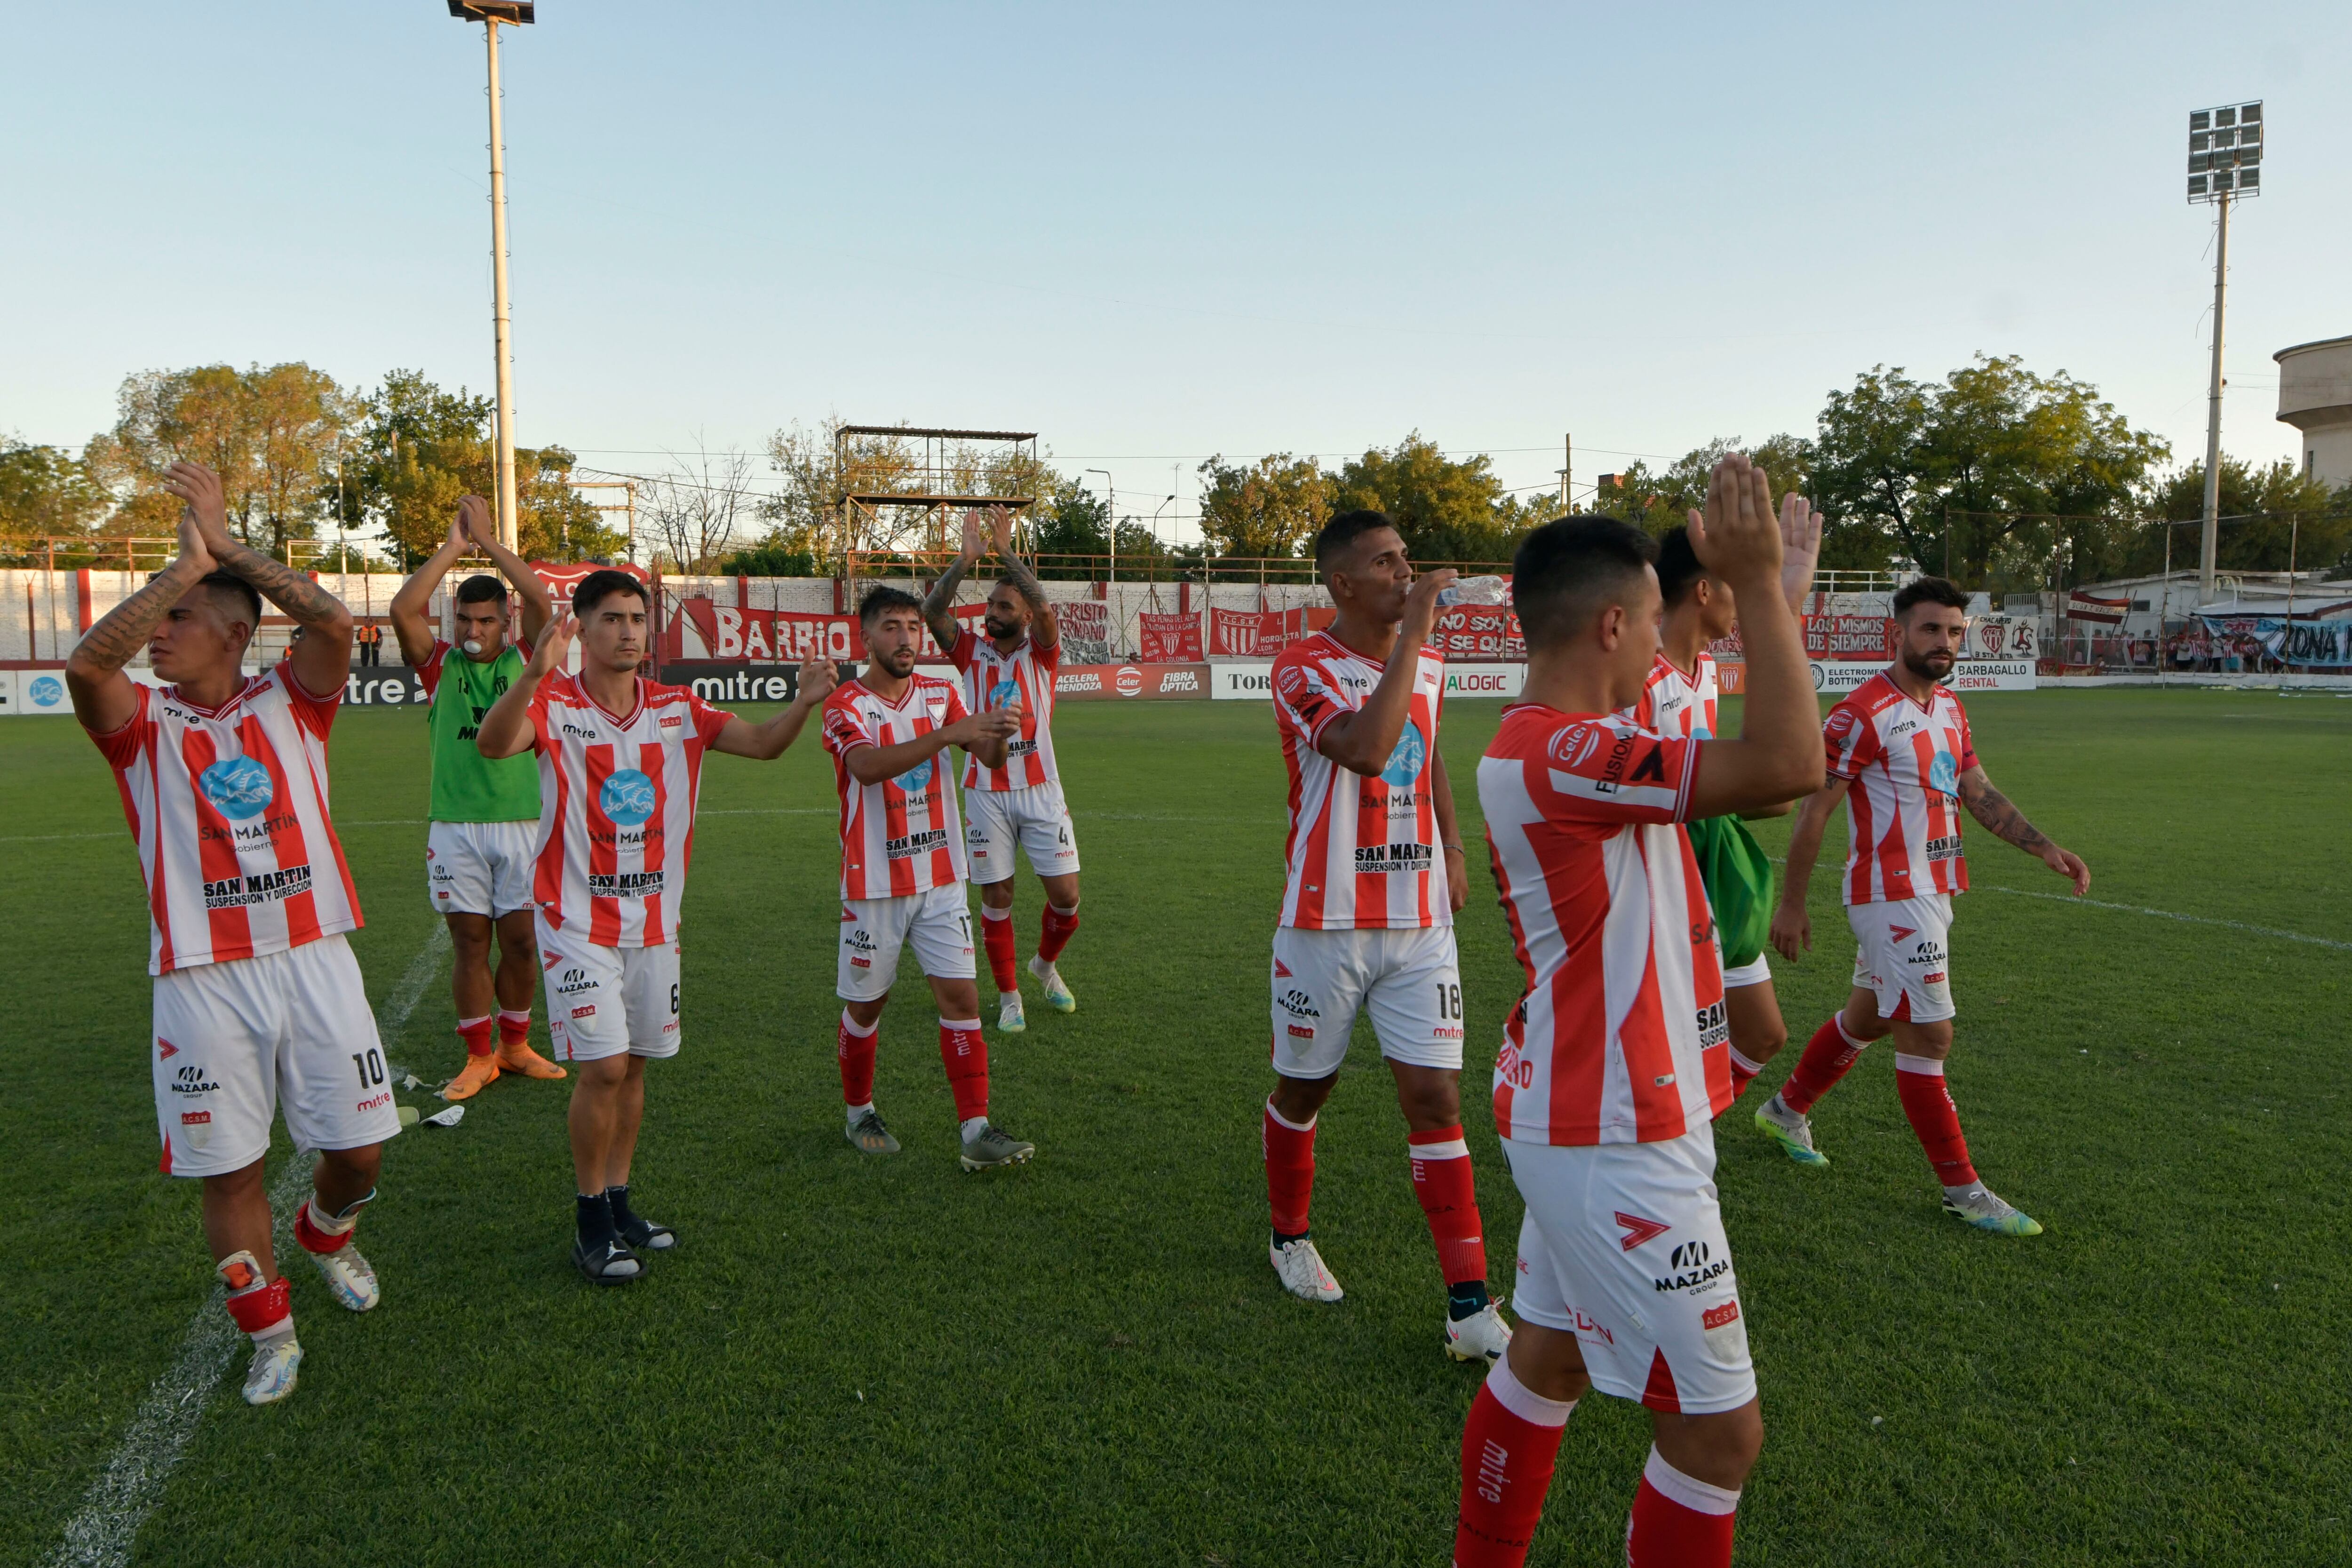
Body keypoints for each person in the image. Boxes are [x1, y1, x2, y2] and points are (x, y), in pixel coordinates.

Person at [1452, 458, 1822, 1568]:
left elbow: (1742, 723)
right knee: (1718, 1437)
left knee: (1548, 1363)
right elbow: (1790, 763)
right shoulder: (1558, 751)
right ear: (1612, 625)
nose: (1668, 649)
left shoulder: (1567, 741)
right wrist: (1754, 580)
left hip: (1591, 1112)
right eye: (1657, 625)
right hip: (1615, 1131)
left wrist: (1774, 590)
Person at [64, 462, 397, 1407]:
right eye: (160, 616)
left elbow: (332, 622)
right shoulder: (141, 723)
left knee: (362, 1149)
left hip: (313, 957)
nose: (157, 634)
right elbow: (89, 666)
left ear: (238, 636)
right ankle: (271, 1332)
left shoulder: (292, 700)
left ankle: (328, 1231)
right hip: (201, 977)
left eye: (179, 619)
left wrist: (225, 547)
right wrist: (181, 569)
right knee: (230, 1165)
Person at [473, 571, 837, 1283]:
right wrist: (531, 675)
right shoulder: (553, 703)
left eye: (638, 617)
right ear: (581, 628)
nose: (630, 631)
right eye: (611, 618)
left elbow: (763, 745)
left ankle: (618, 1203)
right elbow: (493, 744)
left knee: (635, 1065)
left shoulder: (680, 709)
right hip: (574, 920)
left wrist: (803, 703)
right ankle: (587, 1224)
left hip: (656, 924)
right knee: (604, 1066)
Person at [1758, 576, 2090, 1235]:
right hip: (1892, 896)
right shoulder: (1862, 713)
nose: (1944, 642)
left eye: (1954, 631)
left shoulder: (1951, 709)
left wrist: (2044, 847)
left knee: (1872, 1017)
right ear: (1899, 633)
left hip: (1934, 889)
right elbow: (1813, 809)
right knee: (1930, 1034)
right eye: (1930, 629)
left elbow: (1977, 789)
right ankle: (1963, 1191)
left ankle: (1785, 1109)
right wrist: (1791, 903)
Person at [1255, 509, 1510, 1364]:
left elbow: (1424, 747)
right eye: (1388, 562)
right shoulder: (1302, 666)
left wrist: (1455, 843)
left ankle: (1469, 1306)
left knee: (1436, 1100)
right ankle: (1289, 1236)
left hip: (1419, 921)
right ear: (1343, 584)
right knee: (1305, 1091)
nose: (1409, 572)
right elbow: (1368, 747)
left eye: (1407, 558)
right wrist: (1416, 640)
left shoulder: (1423, 659)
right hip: (1324, 923)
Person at [821, 586, 1036, 1170]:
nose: (906, 638)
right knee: (868, 1008)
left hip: (941, 876)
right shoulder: (844, 704)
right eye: (891, 627)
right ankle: (857, 1110)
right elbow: (865, 768)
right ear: (864, 637)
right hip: (874, 887)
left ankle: (976, 1129)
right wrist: (950, 735)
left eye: (914, 627)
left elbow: (984, 758)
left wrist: (1000, 735)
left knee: (961, 999)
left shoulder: (942, 692)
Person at [1619, 516, 1819, 1107]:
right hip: (1657, 893)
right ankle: (1656, 1132)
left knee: (1762, 1034)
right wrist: (1758, 790)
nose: (1740, 603)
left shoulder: (1703, 670)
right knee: (1661, 1052)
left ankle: (1686, 1121)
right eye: (1734, 586)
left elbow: (1754, 791)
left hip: (1714, 884)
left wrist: (1786, 599)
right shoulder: (1638, 681)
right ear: (1702, 591)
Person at [388, 495, 563, 1099]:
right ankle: (478, 1056)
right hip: (456, 827)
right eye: (465, 619)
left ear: (505, 624)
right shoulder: (437, 666)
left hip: (523, 825)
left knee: (519, 942)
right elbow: (402, 607)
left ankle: (515, 1047)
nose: (472, 631)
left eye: (486, 620)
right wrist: (454, 548)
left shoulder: (527, 659)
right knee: (469, 943)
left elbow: (541, 601)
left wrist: (489, 544)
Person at [922, 507, 1081, 1034]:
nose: (990, 612)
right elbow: (933, 610)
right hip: (986, 791)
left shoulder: (1042, 653)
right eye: (989, 603)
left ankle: (1043, 966)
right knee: (997, 897)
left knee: (1067, 899)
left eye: (1001, 605)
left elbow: (1044, 606)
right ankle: (1010, 995)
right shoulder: (972, 653)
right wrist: (968, 558)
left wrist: (1007, 551)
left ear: (1025, 616)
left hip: (1041, 789)